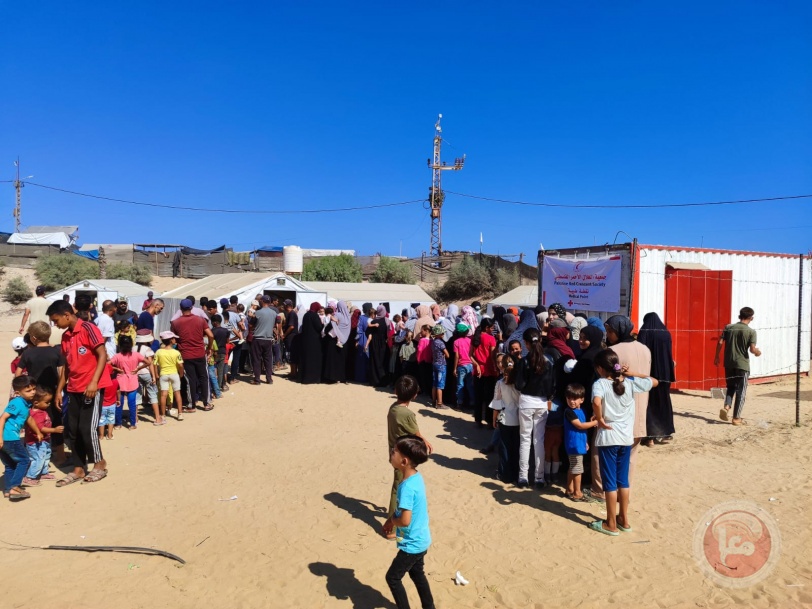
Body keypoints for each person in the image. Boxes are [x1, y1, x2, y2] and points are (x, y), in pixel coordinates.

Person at [589, 349, 658, 536]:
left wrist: (599, 417)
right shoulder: (629, 383)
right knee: (623, 480)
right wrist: (631, 374)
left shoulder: (600, 384)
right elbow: (654, 381)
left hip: (608, 438)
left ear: (601, 369)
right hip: (626, 438)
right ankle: (623, 519)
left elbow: (596, 401)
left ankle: (610, 523)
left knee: (609, 482)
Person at [47, 299, 112, 486]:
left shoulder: (89, 329)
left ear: (67, 315)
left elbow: (102, 355)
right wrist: (60, 390)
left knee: (87, 428)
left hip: (91, 388)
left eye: (56, 320)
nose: (55, 325)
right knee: (72, 429)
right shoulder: (66, 337)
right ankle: (78, 467)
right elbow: (67, 366)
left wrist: (93, 382)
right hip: (73, 388)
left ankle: (99, 463)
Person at [382, 435, 435, 609]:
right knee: (417, 574)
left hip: (412, 544)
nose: (391, 453)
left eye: (394, 451)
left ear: (404, 461)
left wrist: (393, 520)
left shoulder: (406, 487)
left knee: (392, 578)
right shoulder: (416, 478)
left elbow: (405, 521)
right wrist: (391, 520)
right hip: (421, 539)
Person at [14, 321, 65, 462]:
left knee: (34, 421)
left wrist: (21, 391)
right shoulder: (57, 351)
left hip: (34, 394)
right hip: (53, 393)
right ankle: (60, 456)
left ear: (33, 338)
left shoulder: (27, 353)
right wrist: (59, 391)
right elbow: (62, 374)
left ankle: (36, 455)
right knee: (55, 421)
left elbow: (18, 375)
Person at [385, 376, 433, 520]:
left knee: (399, 485)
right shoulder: (407, 414)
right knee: (399, 488)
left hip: (394, 452)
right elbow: (416, 433)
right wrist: (425, 441)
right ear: (415, 395)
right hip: (404, 457)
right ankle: (392, 522)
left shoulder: (393, 408)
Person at [514, 327, 554, 488]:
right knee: (539, 440)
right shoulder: (549, 360)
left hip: (526, 402)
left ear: (526, 343)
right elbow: (553, 385)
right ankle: (539, 477)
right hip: (542, 402)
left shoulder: (524, 361)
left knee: (525, 440)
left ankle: (523, 477)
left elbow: (519, 384)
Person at [715, 306, 761, 426]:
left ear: (739, 316)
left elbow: (720, 342)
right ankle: (736, 418)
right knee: (741, 391)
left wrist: (717, 356)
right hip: (742, 365)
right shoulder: (751, 332)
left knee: (730, 387)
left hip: (729, 363)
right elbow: (752, 349)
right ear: (751, 317)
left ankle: (726, 407)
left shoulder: (729, 327)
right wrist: (757, 352)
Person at [636, 313, 676, 445]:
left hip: (650, 373)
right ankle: (666, 433)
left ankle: (650, 438)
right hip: (665, 373)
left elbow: (641, 352)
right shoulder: (665, 333)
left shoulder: (645, 331)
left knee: (649, 404)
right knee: (664, 402)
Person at [170, 299, 215, 413]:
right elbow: (210, 335)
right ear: (191, 308)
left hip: (185, 354)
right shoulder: (200, 320)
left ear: (180, 309)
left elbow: (173, 339)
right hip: (200, 353)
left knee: (191, 380)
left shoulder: (176, 323)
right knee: (204, 377)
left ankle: (191, 405)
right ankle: (207, 403)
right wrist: (209, 348)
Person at [1, 376, 38, 500]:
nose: (33, 392)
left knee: (10, 464)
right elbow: (2, 418)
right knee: (24, 460)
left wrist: (37, 431)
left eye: (33, 389)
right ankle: (15, 487)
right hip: (9, 438)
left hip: (6, 439)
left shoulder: (25, 404)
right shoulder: (16, 402)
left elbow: (29, 418)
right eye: (28, 390)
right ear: (17, 392)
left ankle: (7, 490)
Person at [22, 387, 63, 486]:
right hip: (35, 442)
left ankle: (43, 473)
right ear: (36, 403)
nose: (49, 404)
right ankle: (29, 477)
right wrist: (54, 430)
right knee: (38, 459)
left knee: (46, 456)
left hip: (44, 441)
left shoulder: (41, 411)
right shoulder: (36, 414)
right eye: (46, 402)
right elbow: (40, 428)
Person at [563, 383, 597, 501]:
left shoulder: (581, 411)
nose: (571, 401)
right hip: (574, 445)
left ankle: (569, 489)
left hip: (579, 443)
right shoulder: (569, 412)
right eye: (569, 398)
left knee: (573, 467)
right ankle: (577, 492)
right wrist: (596, 423)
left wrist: (585, 441)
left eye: (575, 398)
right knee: (578, 469)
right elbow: (580, 426)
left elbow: (583, 428)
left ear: (582, 399)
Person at [490, 353, 520, 484]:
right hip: (518, 419)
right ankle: (516, 473)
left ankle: (504, 473)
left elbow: (497, 403)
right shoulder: (519, 384)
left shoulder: (500, 383)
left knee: (505, 447)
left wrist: (494, 419)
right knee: (516, 447)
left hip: (505, 418)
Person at [110, 335, 147, 430]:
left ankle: (118, 423)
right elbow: (148, 362)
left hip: (120, 381)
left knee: (119, 403)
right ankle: (132, 424)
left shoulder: (117, 356)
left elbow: (107, 364)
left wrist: (116, 368)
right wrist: (138, 368)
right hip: (132, 380)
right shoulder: (136, 355)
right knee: (132, 403)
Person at [472, 318, 498, 427]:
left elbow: (470, 355)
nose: (493, 329)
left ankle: (478, 419)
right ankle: (489, 421)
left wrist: (477, 365)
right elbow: (492, 357)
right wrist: (496, 368)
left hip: (478, 370)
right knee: (489, 397)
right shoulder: (491, 339)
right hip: (489, 370)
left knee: (478, 396)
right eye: (492, 327)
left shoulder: (475, 337)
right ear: (487, 328)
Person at [155, 331, 185, 421]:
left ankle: (163, 414)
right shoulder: (176, 352)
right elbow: (180, 365)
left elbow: (155, 364)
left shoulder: (159, 352)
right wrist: (181, 373)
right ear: (171, 340)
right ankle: (180, 414)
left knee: (163, 395)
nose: (175, 340)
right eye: (174, 338)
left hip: (163, 374)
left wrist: (156, 374)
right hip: (174, 374)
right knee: (177, 393)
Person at [250, 295, 277, 385]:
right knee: (268, 359)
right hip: (268, 339)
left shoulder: (257, 313)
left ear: (262, 301)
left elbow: (251, 325)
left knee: (257, 359)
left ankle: (257, 379)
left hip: (258, 338)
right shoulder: (274, 313)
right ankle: (269, 379)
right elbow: (275, 324)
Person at [135, 331, 160, 425]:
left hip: (136, 374)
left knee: (137, 395)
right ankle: (158, 418)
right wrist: (153, 376)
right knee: (152, 394)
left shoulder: (133, 348)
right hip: (146, 373)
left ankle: (135, 417)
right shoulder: (147, 349)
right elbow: (151, 364)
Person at [322, 300, 350, 384]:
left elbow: (333, 325)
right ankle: (342, 377)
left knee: (334, 360)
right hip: (345, 341)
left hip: (335, 341)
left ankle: (333, 378)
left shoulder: (337, 315)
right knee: (342, 361)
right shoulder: (348, 316)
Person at [300, 302, 324, 385]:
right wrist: (323, 324)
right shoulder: (314, 316)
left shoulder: (306, 315)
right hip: (314, 341)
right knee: (314, 359)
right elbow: (319, 327)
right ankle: (314, 378)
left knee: (306, 358)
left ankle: (305, 377)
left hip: (305, 340)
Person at [452, 322, 475, 410]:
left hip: (461, 365)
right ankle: (472, 402)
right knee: (470, 385)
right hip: (470, 364)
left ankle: (459, 403)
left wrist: (454, 368)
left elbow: (457, 356)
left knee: (460, 385)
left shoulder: (456, 342)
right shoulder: (470, 341)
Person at [366, 305, 390, 387]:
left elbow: (368, 332)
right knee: (382, 361)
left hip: (374, 344)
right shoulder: (386, 321)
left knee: (374, 361)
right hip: (383, 343)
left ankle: (375, 381)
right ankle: (384, 381)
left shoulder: (373, 322)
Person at [429, 325, 448, 409]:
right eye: (442, 333)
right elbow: (447, 354)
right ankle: (440, 403)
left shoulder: (433, 342)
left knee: (434, 383)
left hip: (434, 363)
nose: (443, 334)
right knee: (440, 384)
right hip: (441, 365)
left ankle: (433, 401)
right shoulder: (441, 343)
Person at [98, 365, 119, 439]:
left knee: (101, 420)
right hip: (112, 404)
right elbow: (118, 391)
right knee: (111, 419)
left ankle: (101, 435)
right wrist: (118, 400)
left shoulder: (101, 383)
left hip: (102, 405)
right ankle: (110, 435)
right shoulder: (115, 381)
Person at [210, 315, 230, 392]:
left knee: (213, 371)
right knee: (220, 371)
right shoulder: (226, 331)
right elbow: (227, 341)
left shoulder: (212, 331)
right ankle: (219, 387)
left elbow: (211, 343)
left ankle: (213, 388)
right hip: (223, 352)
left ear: (214, 322)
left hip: (214, 352)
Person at [282, 300, 300, 379]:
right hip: (290, 337)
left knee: (292, 354)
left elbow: (291, 326)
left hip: (291, 337)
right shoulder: (290, 314)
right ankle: (292, 372)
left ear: (287, 305)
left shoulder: (292, 314)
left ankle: (294, 373)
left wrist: (284, 335)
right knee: (290, 355)